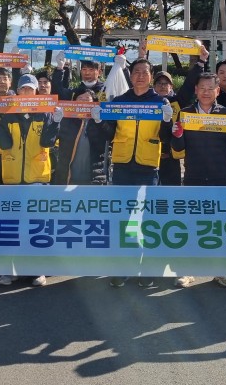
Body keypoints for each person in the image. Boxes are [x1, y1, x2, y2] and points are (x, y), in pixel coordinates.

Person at [169, 72, 226, 288]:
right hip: (194, 177)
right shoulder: (185, 114)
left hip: (220, 178)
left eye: (210, 88)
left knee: (218, 227)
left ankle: (220, 271)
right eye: (202, 87)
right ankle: (187, 271)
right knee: (191, 226)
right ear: (196, 90)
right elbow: (178, 147)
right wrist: (176, 135)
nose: (206, 92)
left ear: (217, 91)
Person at [99, 58, 174, 288]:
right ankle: (122, 268)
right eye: (136, 72)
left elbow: (166, 138)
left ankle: (145, 268)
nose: (141, 76)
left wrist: (167, 121)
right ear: (130, 76)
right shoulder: (120, 101)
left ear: (151, 76)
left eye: (145, 72)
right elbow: (109, 134)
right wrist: (100, 120)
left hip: (148, 165)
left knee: (145, 220)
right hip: (122, 164)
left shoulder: (160, 101)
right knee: (123, 219)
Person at [0, 73, 61, 287]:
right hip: (12, 177)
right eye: (23, 89)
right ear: (17, 91)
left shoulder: (45, 113)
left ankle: (37, 270)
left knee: (37, 226)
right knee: (13, 226)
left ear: (36, 91)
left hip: (37, 177)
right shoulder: (8, 113)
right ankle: (11, 270)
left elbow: (47, 142)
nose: (27, 92)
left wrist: (56, 122)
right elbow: (5, 143)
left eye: (31, 89)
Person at [53, 90, 103, 185]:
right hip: (67, 179)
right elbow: (50, 141)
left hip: (93, 179)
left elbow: (107, 139)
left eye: (87, 99)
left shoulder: (99, 121)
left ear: (94, 102)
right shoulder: (66, 121)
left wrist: (99, 122)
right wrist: (55, 122)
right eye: (80, 99)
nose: (83, 102)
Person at [153, 70, 183, 185]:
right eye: (159, 83)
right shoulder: (146, 103)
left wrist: (201, 63)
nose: (162, 86)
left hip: (172, 158)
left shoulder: (178, 102)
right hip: (150, 156)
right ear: (154, 86)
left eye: (166, 83)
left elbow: (189, 86)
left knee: (171, 193)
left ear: (171, 86)